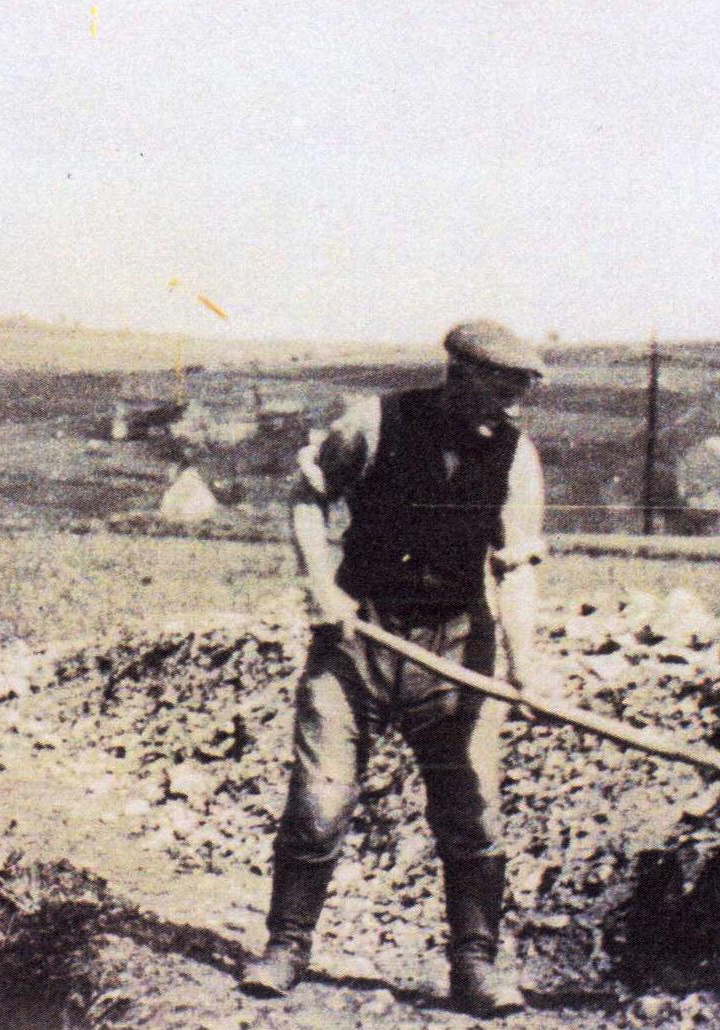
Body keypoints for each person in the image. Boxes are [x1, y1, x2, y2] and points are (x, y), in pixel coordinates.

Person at [237, 320, 550, 1017]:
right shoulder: (374, 423)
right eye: (500, 391)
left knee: (472, 813)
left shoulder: (516, 455)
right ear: (459, 375)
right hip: (359, 640)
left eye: (519, 394)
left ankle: (475, 966)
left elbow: (518, 566)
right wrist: (321, 585)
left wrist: (524, 665)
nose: (511, 408)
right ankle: (286, 946)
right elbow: (307, 498)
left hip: (455, 649)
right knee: (319, 806)